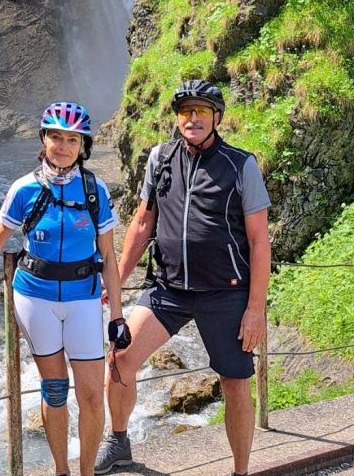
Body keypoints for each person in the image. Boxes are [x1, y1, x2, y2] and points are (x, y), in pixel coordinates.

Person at [95, 79, 271, 476]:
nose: (192, 118)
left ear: (216, 118)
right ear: (177, 118)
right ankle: (118, 443)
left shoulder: (241, 165)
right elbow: (142, 223)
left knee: (235, 382)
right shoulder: (160, 158)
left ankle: (240, 471)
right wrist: (118, 280)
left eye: (201, 111)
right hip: (168, 289)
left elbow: (260, 242)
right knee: (121, 359)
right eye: (186, 112)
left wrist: (255, 309)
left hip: (226, 293)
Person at [0, 101, 128, 476]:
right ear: (43, 139)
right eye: (55, 137)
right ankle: (61, 470)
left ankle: (87, 471)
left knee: (92, 395)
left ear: (83, 145)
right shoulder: (24, 189)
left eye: (71, 139)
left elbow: (108, 256)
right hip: (34, 297)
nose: (62, 146)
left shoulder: (95, 190)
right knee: (55, 389)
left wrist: (118, 315)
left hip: (84, 298)